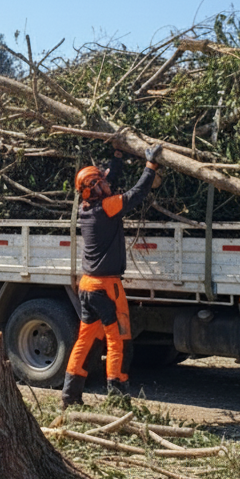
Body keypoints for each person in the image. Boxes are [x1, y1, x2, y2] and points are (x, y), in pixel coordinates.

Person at [60, 144, 161, 409]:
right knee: (118, 339)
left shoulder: (87, 209)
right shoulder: (108, 208)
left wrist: (117, 159)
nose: (107, 183)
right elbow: (137, 194)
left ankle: (70, 397)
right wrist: (150, 166)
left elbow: (109, 182)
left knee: (86, 340)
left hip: (88, 285)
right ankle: (117, 398)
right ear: (94, 188)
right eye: (102, 181)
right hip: (106, 288)